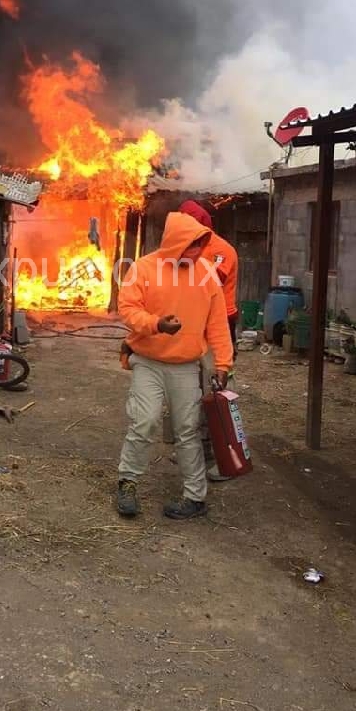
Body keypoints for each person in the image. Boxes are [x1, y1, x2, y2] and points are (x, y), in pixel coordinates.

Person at [116, 211, 234, 520]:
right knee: (145, 421)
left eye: (200, 244)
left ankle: (195, 498)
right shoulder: (143, 268)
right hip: (148, 362)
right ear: (175, 244)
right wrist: (156, 324)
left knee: (187, 430)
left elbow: (218, 324)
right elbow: (127, 309)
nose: (197, 251)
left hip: (185, 366)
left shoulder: (207, 273)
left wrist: (223, 364)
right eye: (192, 245)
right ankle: (127, 483)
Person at [179, 200, 239, 483]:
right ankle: (201, 451)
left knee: (218, 394)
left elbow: (206, 285)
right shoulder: (188, 249)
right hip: (194, 325)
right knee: (193, 391)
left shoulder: (221, 250)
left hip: (219, 325)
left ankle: (229, 458)